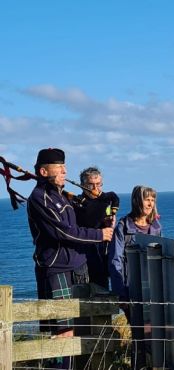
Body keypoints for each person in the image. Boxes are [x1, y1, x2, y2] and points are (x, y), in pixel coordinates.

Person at [26, 148, 113, 369]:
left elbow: (82, 221)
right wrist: (99, 235)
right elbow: (64, 232)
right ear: (44, 171)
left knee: (82, 327)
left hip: (79, 266)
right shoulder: (39, 198)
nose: (65, 170)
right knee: (63, 331)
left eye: (64, 166)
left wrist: (103, 218)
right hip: (57, 268)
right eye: (59, 167)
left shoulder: (62, 195)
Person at [108, 185, 161, 305]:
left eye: (152, 200)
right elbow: (116, 261)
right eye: (147, 199)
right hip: (130, 289)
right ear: (137, 201)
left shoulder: (156, 227)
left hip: (153, 290)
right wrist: (120, 293)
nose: (150, 204)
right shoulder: (123, 228)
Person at [74, 166, 120, 289]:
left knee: (102, 291)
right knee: (83, 294)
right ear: (82, 185)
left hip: (102, 253)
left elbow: (113, 203)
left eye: (99, 184)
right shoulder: (77, 203)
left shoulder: (106, 200)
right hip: (83, 255)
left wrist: (110, 223)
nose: (95, 189)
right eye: (90, 185)